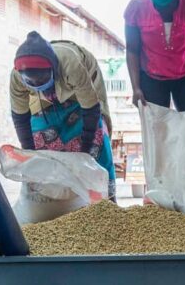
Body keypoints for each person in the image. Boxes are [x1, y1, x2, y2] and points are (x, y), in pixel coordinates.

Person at [10, 31, 116, 201]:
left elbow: (91, 109)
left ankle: (104, 202)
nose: (37, 84)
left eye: (42, 79)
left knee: (97, 139)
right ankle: (55, 202)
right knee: (40, 135)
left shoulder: (71, 64)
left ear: (52, 68)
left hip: (82, 84)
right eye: (32, 82)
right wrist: (30, 155)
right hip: (44, 101)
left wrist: (85, 152)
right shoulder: (17, 77)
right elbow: (21, 118)